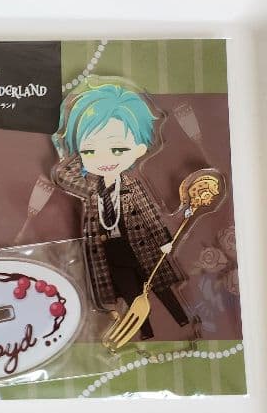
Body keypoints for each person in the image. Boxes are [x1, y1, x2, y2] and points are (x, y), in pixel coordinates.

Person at [52, 82, 188, 340]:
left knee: (160, 287)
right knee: (131, 294)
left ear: (138, 149)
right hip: (110, 251)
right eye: (91, 150)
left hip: (140, 245)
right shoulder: (90, 188)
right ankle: (145, 335)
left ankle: (183, 321)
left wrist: (165, 241)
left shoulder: (132, 184)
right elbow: (63, 175)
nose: (105, 159)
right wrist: (78, 148)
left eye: (117, 149)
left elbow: (149, 214)